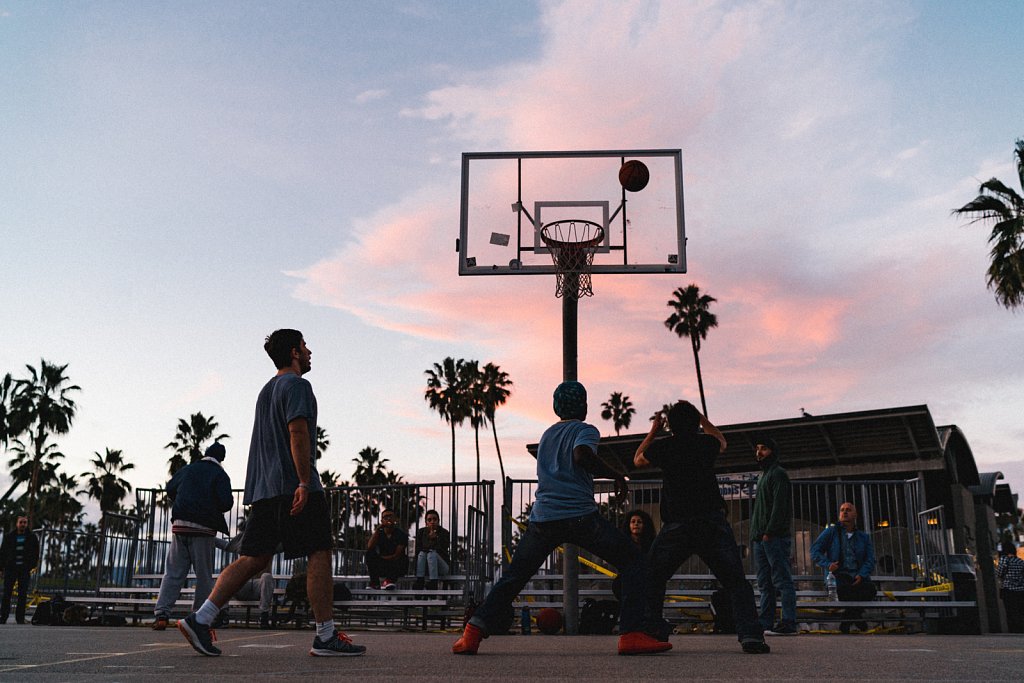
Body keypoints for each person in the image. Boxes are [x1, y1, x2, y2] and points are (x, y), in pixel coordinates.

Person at [176, 329, 365, 657]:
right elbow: (297, 431)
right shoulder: (297, 385)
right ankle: (325, 635)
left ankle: (201, 618)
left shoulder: (266, 391)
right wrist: (304, 482)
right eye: (305, 345)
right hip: (291, 487)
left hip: (263, 489)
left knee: (254, 558)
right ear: (294, 352)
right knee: (319, 550)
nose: (309, 351)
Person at [453, 381, 671, 656]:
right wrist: (615, 474)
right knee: (633, 561)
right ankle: (632, 634)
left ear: (556, 408)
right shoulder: (585, 430)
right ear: (584, 405)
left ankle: (473, 632)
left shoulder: (547, 435)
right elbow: (581, 455)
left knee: (514, 576)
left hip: (543, 518)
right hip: (579, 516)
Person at [634, 402, 770, 654]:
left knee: (653, 577)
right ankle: (751, 635)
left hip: (677, 524)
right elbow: (721, 440)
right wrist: (702, 419)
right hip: (710, 521)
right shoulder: (706, 444)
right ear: (694, 422)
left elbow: (638, 459)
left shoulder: (665, 447)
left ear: (671, 426)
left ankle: (651, 630)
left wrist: (654, 430)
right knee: (735, 580)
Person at [152, 442, 233, 631]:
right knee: (203, 575)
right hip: (203, 528)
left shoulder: (188, 469)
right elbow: (226, 502)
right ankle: (198, 617)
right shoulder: (220, 475)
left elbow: (171, 488)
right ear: (221, 458)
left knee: (173, 572)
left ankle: (161, 613)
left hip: (179, 524)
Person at [750, 436, 797, 636]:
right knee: (765, 583)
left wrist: (769, 531)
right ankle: (766, 622)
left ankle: (788, 622)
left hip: (773, 537)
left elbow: (779, 506)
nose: (759, 452)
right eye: (758, 448)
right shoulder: (762, 476)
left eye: (764, 449)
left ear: (773, 452)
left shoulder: (778, 474)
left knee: (781, 580)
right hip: (761, 538)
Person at [810, 501, 877, 633]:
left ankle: (848, 617)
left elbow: (870, 559)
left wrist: (862, 574)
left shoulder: (863, 537)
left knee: (870, 590)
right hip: (838, 577)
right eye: (842, 510)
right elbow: (815, 550)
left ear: (855, 514)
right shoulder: (831, 532)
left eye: (848, 510)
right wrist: (828, 564)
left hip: (858, 576)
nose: (844, 512)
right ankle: (856, 617)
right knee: (843, 589)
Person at [0, 515, 40, 625]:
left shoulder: (32, 537)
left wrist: (30, 565)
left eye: (25, 522)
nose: (23, 524)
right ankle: (3, 617)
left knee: (22, 594)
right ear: (17, 523)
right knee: (6, 594)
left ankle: (20, 618)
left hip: (24, 569)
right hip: (10, 568)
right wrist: (1, 567)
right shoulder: (9, 537)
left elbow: (36, 553)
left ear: (27, 524)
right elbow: (2, 552)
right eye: (21, 522)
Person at [611, 510, 655, 602]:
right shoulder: (623, 543)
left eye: (639, 522)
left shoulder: (650, 544)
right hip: (626, 581)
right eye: (633, 521)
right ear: (628, 524)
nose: (636, 524)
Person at [366, 508, 408, 590]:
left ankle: (389, 581)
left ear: (395, 519)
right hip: (384, 566)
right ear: (382, 520)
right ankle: (375, 583)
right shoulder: (379, 533)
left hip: (396, 567)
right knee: (369, 553)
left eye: (390, 516)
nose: (388, 518)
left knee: (403, 558)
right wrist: (378, 529)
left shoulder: (401, 534)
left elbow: (396, 555)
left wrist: (381, 558)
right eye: (385, 517)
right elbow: (370, 546)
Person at [413, 509, 450, 589]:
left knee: (431, 553)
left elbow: (442, 549)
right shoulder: (421, 532)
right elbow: (418, 549)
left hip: (442, 567)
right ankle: (420, 580)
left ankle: (433, 582)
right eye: (429, 520)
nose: (432, 522)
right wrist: (429, 539)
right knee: (422, 553)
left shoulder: (444, 533)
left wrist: (435, 538)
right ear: (426, 522)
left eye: (434, 519)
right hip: (424, 566)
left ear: (438, 521)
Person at [995, 540, 1024, 633]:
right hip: (1020, 590)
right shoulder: (1020, 561)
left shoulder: (1004, 559)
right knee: (1019, 611)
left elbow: (999, 573)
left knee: (1010, 611)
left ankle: (1013, 630)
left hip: (1008, 590)